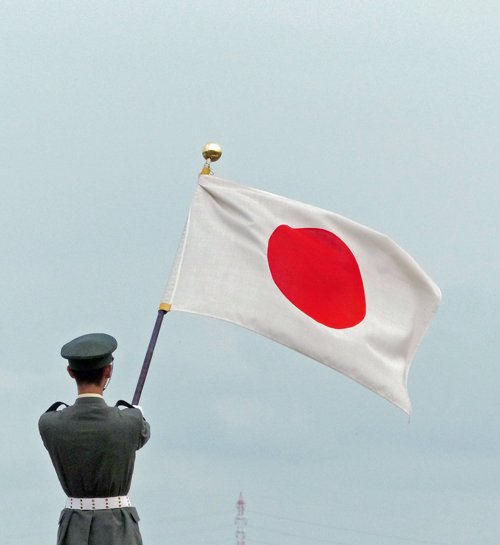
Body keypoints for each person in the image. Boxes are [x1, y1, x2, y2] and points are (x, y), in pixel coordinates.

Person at [39, 333, 151, 545]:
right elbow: (142, 434)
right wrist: (136, 415)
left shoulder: (49, 423)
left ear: (70, 372)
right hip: (119, 529)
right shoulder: (129, 421)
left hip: (73, 528)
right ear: (108, 370)